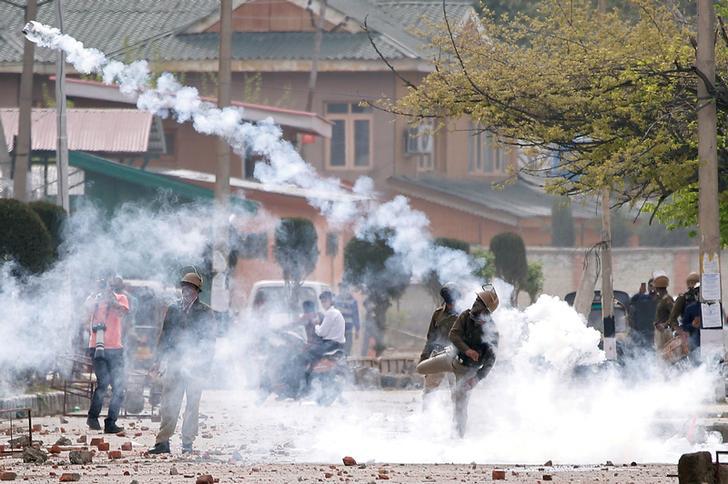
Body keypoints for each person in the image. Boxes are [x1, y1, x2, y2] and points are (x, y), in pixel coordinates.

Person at [416, 285, 499, 437]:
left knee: (459, 403)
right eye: (476, 300)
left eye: (479, 303)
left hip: (466, 370)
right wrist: (467, 350)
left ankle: (457, 438)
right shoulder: (465, 315)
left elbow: (490, 361)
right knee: (422, 371)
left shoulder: (491, 331)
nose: (475, 304)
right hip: (450, 356)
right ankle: (425, 424)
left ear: (486, 310)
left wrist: (477, 378)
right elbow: (452, 335)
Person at [148, 272, 216, 455]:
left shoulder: (206, 312)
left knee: (192, 405)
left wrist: (205, 366)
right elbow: (164, 336)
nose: (185, 290)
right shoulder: (173, 309)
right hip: (175, 363)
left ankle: (187, 443)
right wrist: (158, 360)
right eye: (184, 286)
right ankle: (163, 442)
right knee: (169, 402)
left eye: (190, 287)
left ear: (196, 291)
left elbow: (209, 341)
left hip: (196, 365)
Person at [86, 276, 130, 433]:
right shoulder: (95, 298)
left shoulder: (121, 298)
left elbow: (122, 312)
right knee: (103, 384)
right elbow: (86, 309)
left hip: (115, 348)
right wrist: (97, 294)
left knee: (119, 387)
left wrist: (110, 298)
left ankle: (111, 422)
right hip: (96, 346)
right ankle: (92, 418)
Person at [419, 283, 460, 405]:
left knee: (457, 392)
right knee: (429, 390)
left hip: (457, 357)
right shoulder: (438, 314)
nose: (451, 304)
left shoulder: (464, 314)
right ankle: (426, 417)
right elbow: (430, 338)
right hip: (439, 354)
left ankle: (458, 420)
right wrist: (424, 358)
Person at [334, 284, 360, 355]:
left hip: (348, 329)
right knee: (339, 349)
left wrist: (357, 329)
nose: (342, 291)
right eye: (341, 289)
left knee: (347, 348)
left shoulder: (353, 301)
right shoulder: (336, 300)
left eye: (343, 289)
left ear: (347, 289)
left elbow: (355, 316)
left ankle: (345, 362)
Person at [652, 273, 675, 352]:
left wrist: (664, 325)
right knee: (660, 354)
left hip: (665, 332)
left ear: (657, 288)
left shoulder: (667, 299)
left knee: (665, 354)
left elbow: (674, 315)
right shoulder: (661, 299)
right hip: (660, 331)